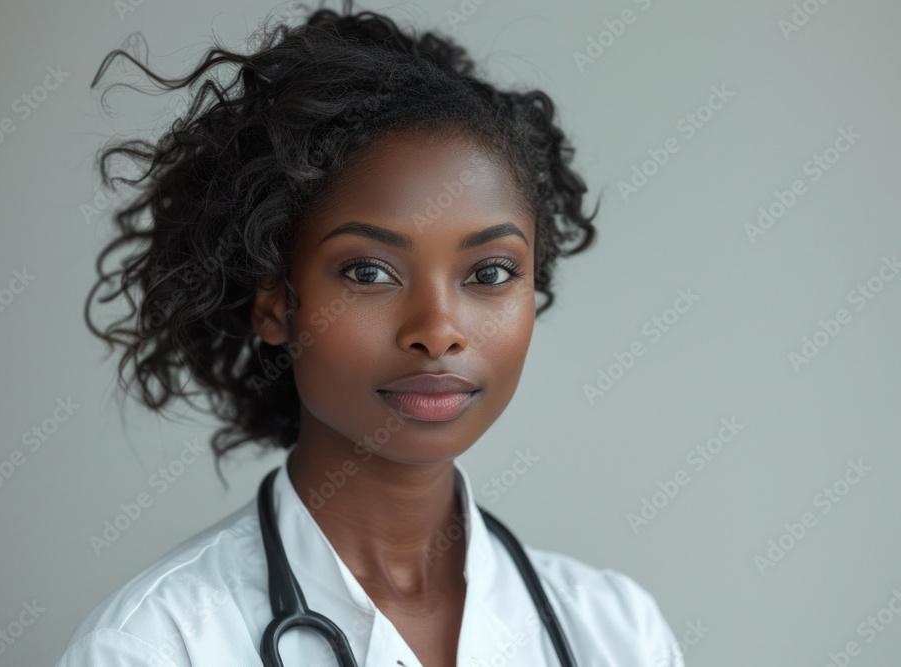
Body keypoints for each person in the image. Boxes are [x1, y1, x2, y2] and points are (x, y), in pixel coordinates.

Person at [58, 1, 684, 664]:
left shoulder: (619, 635)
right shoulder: (155, 645)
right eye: (368, 271)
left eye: (491, 271)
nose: (438, 330)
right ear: (274, 300)